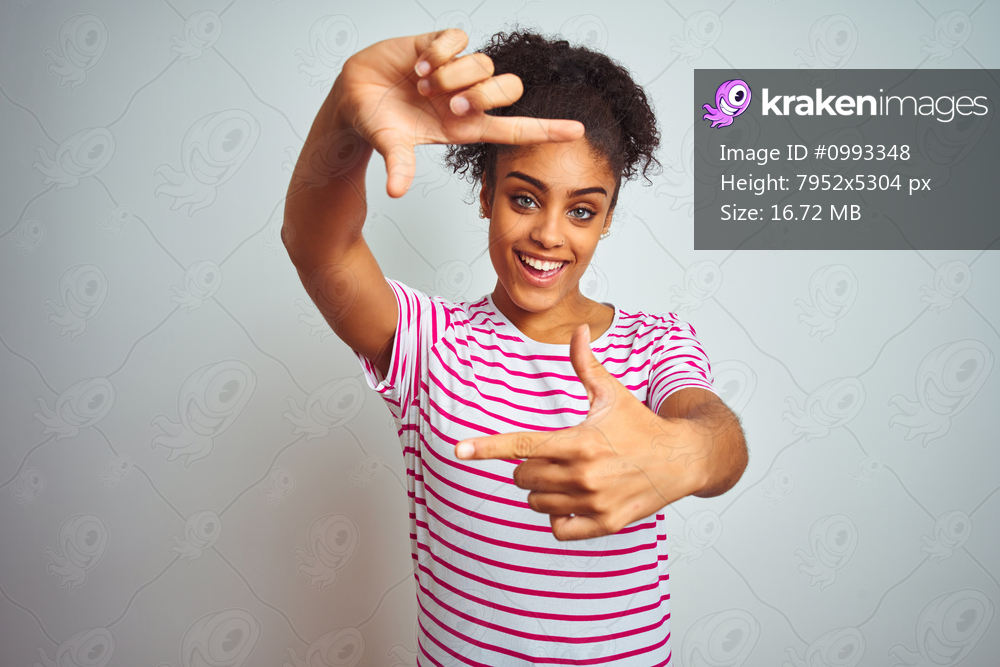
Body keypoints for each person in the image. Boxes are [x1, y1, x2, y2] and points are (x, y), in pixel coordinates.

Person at [282, 25, 748, 666]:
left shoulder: (655, 343)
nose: (550, 234)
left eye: (582, 210)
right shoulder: (432, 344)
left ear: (607, 219)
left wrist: (690, 451)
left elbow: (714, 430)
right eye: (525, 198)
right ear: (485, 195)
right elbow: (317, 246)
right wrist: (345, 111)